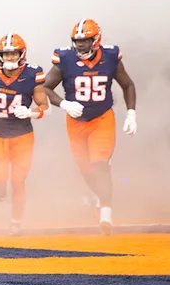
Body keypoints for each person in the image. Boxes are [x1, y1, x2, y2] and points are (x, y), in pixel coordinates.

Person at [44, 19, 137, 234]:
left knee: (100, 166)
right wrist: (64, 103)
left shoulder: (111, 56)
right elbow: (45, 88)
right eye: (78, 41)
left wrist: (131, 112)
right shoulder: (65, 58)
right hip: (75, 123)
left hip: (102, 119)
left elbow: (127, 84)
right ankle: (100, 196)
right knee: (86, 172)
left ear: (96, 40)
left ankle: (106, 213)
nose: (81, 46)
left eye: (85, 41)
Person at [0, 33, 49, 236]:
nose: (9, 58)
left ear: (21, 54)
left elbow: (45, 106)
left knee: (18, 180)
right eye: (5, 54)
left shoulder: (33, 73)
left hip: (22, 135)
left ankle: (16, 220)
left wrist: (31, 112)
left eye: (13, 54)